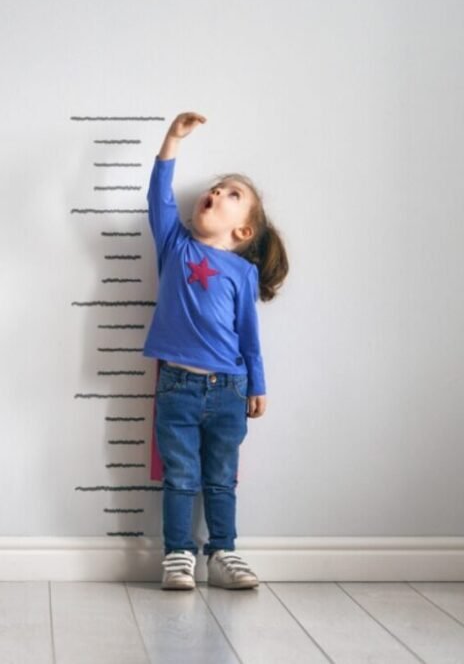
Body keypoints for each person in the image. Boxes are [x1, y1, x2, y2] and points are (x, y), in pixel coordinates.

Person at [142, 111, 289, 590]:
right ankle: (178, 555)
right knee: (181, 477)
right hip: (178, 388)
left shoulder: (242, 274)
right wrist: (172, 141)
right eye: (218, 187)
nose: (219, 192)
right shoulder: (175, 245)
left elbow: (249, 336)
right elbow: (159, 198)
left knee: (222, 479)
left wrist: (259, 384)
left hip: (229, 390)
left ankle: (223, 552)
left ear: (242, 232)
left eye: (233, 194)